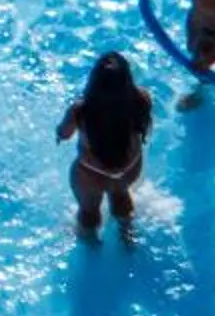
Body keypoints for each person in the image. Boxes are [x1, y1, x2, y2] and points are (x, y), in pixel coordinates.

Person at [57, 50, 153, 236]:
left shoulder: (81, 110)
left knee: (89, 212)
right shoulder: (142, 99)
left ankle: (91, 245)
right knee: (120, 193)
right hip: (129, 169)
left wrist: (59, 133)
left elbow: (65, 133)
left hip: (91, 174)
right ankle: (127, 233)